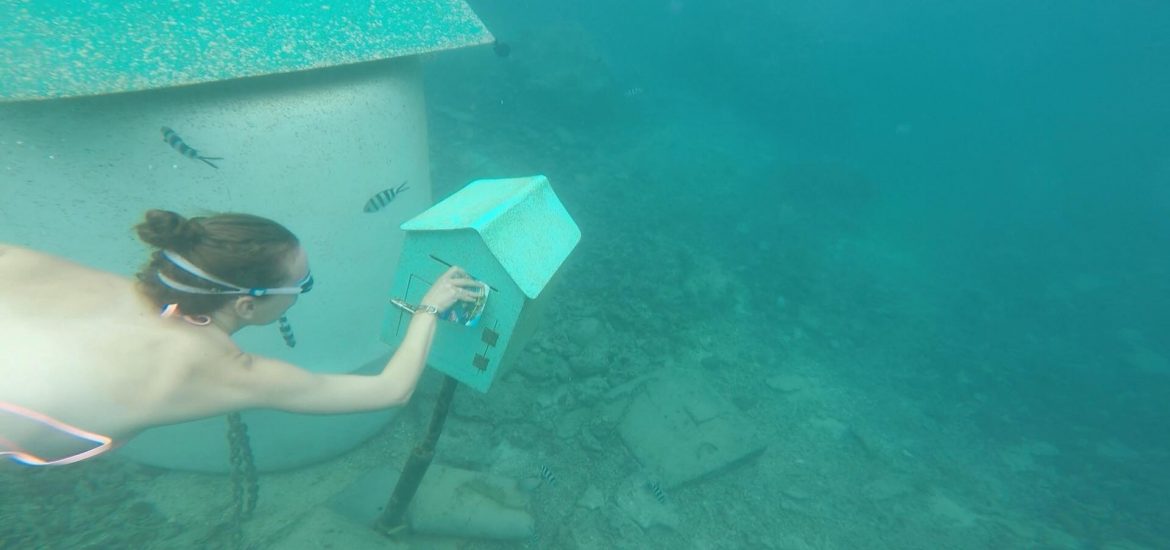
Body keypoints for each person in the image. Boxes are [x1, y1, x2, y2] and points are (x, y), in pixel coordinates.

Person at [0, 209, 484, 466]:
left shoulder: (41, 270)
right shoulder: (222, 369)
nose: (305, 292)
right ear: (247, 305)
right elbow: (390, 389)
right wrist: (429, 307)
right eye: (303, 286)